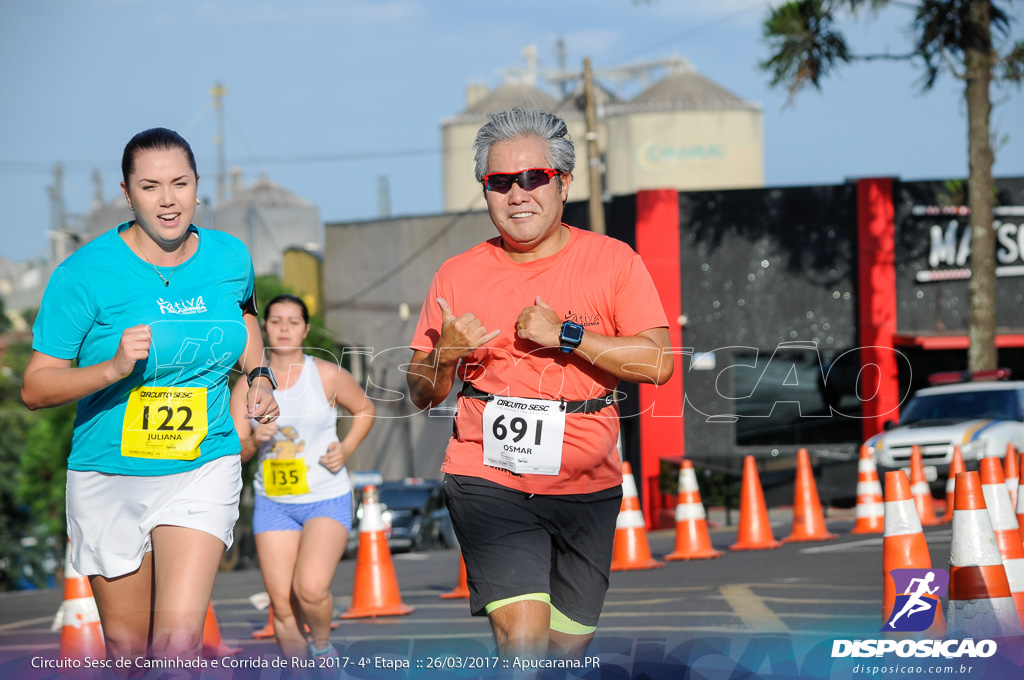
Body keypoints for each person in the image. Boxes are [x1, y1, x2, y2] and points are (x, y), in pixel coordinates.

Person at [405, 107, 674, 660]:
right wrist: (446, 355)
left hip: (587, 481)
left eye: (534, 178)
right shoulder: (457, 274)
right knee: (522, 641)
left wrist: (568, 335)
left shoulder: (613, 261)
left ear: (564, 183)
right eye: (500, 182)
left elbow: (658, 364)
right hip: (490, 471)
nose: (517, 194)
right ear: (485, 190)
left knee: (564, 652)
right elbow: (419, 389)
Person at [21, 127, 279, 671]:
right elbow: (36, 387)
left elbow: (245, 315)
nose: (167, 200)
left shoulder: (230, 256)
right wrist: (112, 368)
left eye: (179, 184)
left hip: (202, 462)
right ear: (127, 192)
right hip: (110, 475)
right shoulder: (84, 274)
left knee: (179, 643)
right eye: (150, 186)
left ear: (196, 186)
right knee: (128, 650)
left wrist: (258, 375)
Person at [230, 294, 374, 667]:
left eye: (293, 322)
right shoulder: (248, 386)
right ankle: (297, 671)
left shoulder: (325, 374)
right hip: (274, 503)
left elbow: (364, 408)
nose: (283, 328)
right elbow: (237, 451)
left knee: (309, 589)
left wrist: (345, 448)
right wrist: (251, 440)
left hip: (325, 497)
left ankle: (324, 649)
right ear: (264, 326)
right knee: (281, 604)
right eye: (276, 320)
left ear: (306, 328)